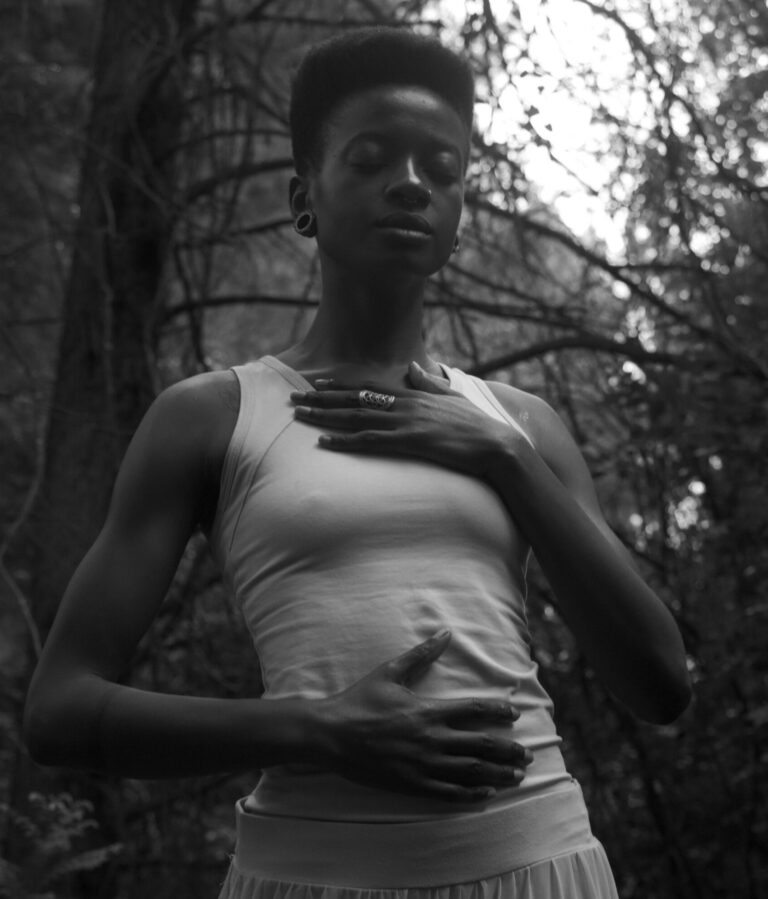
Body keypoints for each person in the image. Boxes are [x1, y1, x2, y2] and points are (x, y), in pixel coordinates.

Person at [24, 26, 691, 898]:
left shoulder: (521, 424)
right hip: (306, 873)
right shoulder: (211, 416)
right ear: (305, 199)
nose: (411, 184)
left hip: (540, 866)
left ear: (457, 214)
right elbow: (60, 708)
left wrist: (502, 458)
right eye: (373, 157)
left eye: (441, 170)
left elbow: (661, 681)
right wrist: (318, 730)